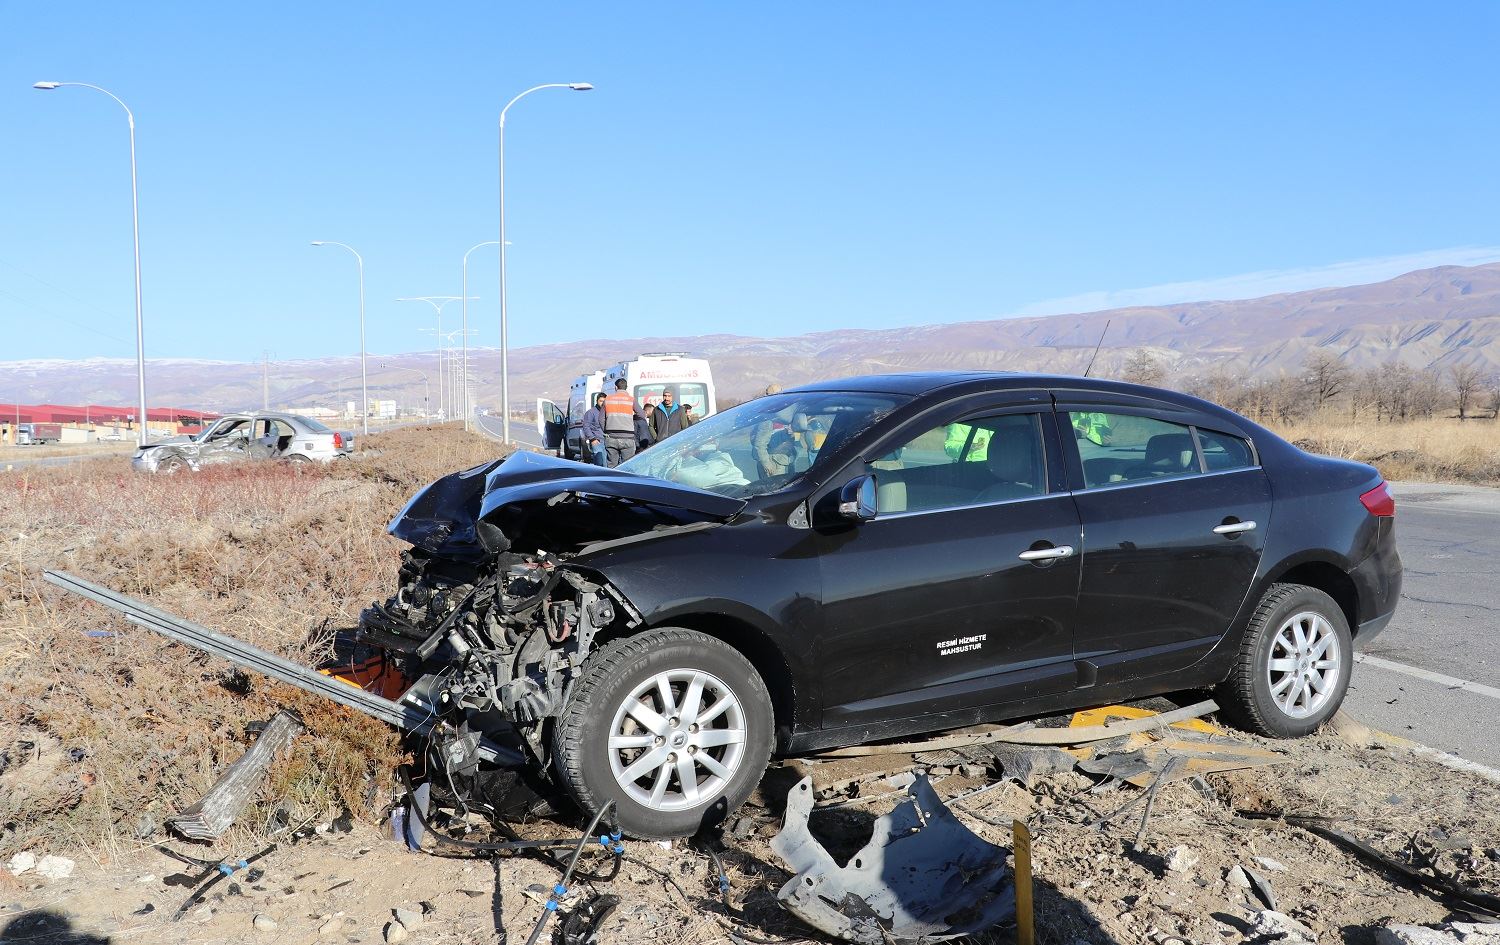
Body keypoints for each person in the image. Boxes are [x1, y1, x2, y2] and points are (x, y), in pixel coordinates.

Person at [602, 378, 646, 467]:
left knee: (612, 466)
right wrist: (631, 418)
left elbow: (601, 419)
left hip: (611, 438)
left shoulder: (608, 399)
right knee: (628, 466)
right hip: (628, 438)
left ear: (615, 387)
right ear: (626, 387)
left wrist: (606, 430)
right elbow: (642, 414)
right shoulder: (631, 400)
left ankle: (613, 480)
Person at [581, 392, 607, 466]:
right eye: (600, 401)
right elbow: (586, 426)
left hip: (607, 441)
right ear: (597, 401)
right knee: (599, 463)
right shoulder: (591, 412)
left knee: (606, 464)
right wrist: (592, 439)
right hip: (597, 441)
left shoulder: (607, 411)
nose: (602, 403)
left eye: (604, 401)